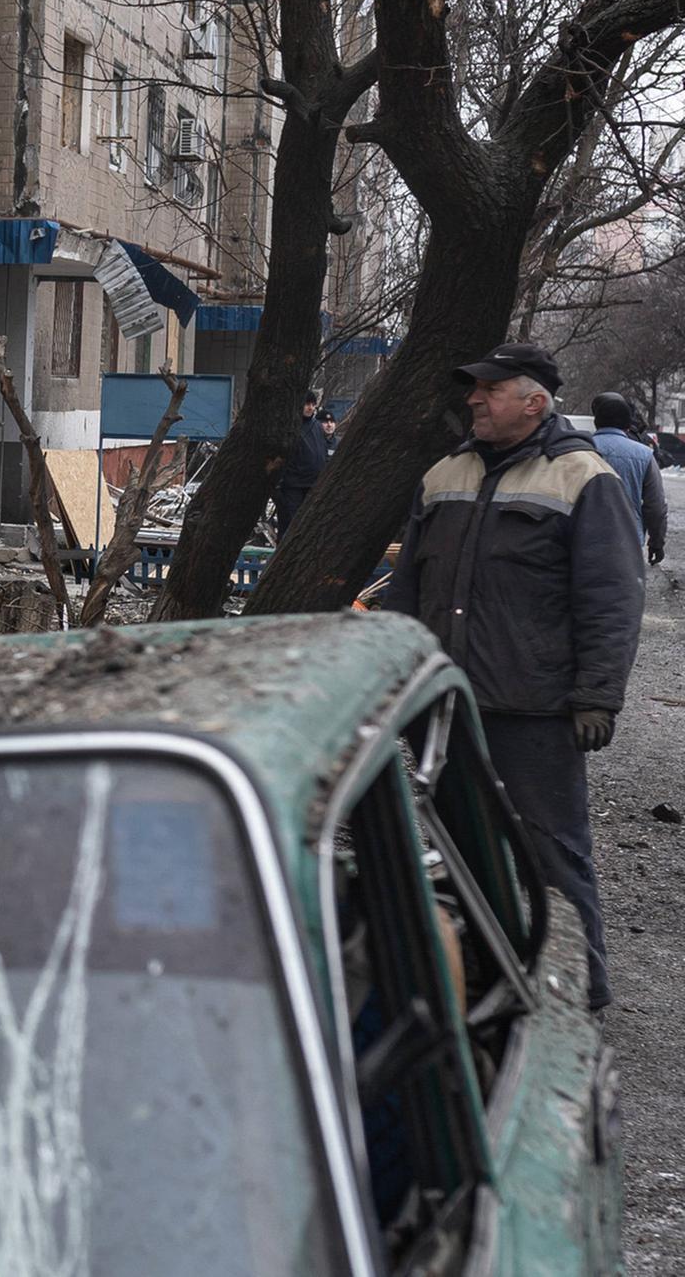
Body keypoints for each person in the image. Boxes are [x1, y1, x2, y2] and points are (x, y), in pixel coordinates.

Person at [381, 341, 644, 1012]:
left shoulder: (583, 477)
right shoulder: (446, 474)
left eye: (490, 390)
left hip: (534, 710)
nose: (474, 399)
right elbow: (406, 589)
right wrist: (396, 676)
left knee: (553, 856)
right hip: (447, 704)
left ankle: (579, 995)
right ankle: (485, 977)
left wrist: (597, 695)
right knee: (459, 850)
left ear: (534, 402)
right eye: (475, 388)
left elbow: (611, 595)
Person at [591, 392, 666, 563]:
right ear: (628, 425)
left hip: (584, 541)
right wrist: (656, 543)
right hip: (628, 542)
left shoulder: (578, 449)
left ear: (596, 422)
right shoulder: (644, 455)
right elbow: (656, 506)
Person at [274, 389, 330, 538]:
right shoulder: (289, 425)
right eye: (307, 404)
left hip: (313, 483)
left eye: (313, 404)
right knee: (291, 524)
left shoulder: (316, 426)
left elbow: (322, 451)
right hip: (293, 485)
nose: (310, 408)